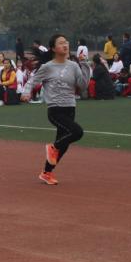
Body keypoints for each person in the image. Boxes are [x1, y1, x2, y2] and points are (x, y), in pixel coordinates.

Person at [21, 34, 88, 185]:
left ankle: (46, 173)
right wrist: (26, 92)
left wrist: (84, 65)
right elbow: (32, 81)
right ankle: (53, 147)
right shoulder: (47, 67)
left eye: (66, 42)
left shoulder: (74, 66)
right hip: (55, 110)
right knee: (77, 132)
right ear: (53, 48)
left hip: (70, 108)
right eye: (61, 43)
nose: (65, 45)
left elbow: (83, 86)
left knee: (63, 144)